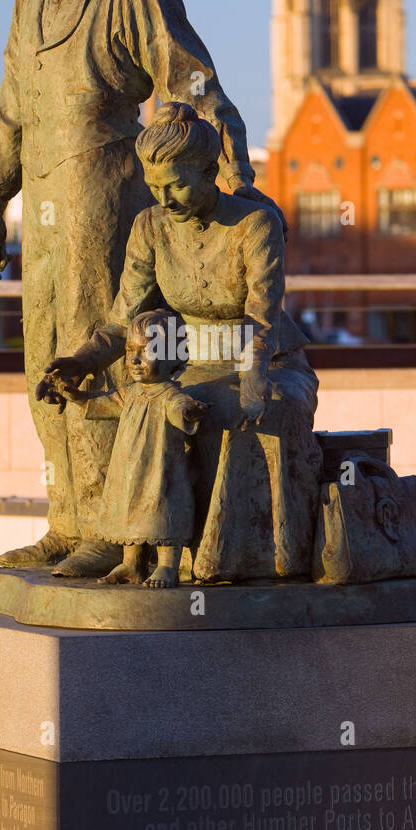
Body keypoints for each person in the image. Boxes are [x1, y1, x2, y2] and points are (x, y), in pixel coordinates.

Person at [0, 0, 270, 576]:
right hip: (41, 211)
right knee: (44, 359)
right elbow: (11, 109)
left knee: (99, 348)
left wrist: (231, 156)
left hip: (103, 191)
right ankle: (66, 520)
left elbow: (190, 75)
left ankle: (113, 527)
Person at [39, 103, 321, 583]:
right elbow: (120, 320)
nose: (164, 198)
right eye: (154, 187)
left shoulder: (255, 224)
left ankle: (237, 561)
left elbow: (261, 316)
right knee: (145, 410)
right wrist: (79, 362)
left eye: (176, 184)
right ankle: (139, 552)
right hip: (186, 366)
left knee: (234, 413)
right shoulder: (150, 227)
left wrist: (253, 377)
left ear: (210, 171)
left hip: (268, 363)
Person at [40, 310, 207, 588]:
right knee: (130, 512)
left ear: (173, 355)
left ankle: (167, 566)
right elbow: (100, 402)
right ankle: (131, 564)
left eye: (147, 351)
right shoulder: (130, 393)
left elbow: (181, 409)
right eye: (131, 351)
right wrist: (74, 394)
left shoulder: (169, 394)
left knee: (162, 511)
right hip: (130, 472)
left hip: (159, 471)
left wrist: (189, 411)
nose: (136, 360)